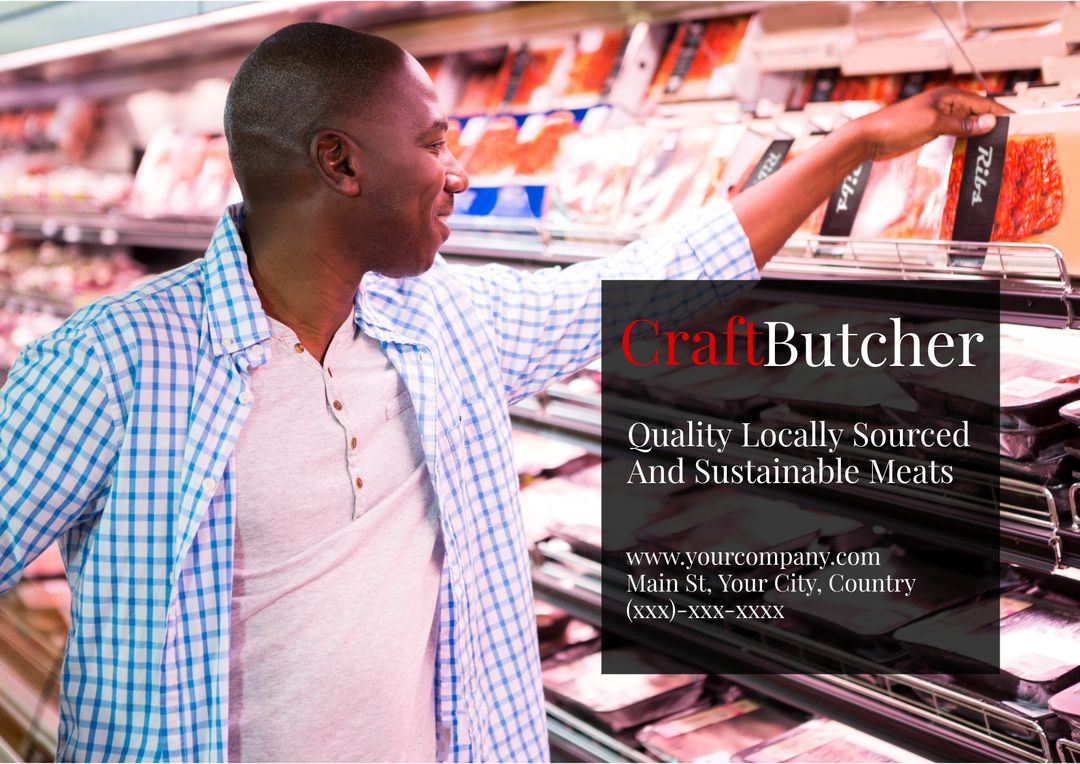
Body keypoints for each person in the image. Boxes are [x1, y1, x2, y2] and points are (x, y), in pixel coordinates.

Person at [0, 21, 1007, 764]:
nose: (460, 172)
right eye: (434, 142)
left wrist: (851, 148)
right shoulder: (117, 364)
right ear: (339, 162)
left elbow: (651, 282)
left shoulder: (443, 320)